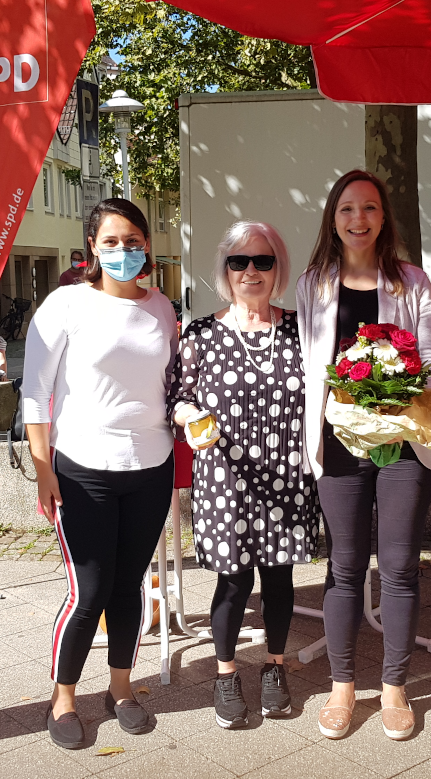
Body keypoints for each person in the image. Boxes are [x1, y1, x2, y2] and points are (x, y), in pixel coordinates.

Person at [297, 169, 431, 742]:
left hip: (402, 438)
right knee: (344, 566)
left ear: (384, 218)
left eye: (369, 209)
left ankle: (393, 686)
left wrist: (396, 385)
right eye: (347, 209)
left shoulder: (411, 280)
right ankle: (341, 686)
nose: (358, 219)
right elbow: (311, 366)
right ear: (333, 220)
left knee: (402, 566)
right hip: (337, 441)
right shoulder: (314, 283)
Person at [23, 199, 177, 748]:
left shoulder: (162, 308)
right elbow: (34, 393)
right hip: (83, 468)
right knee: (88, 593)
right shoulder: (65, 304)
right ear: (92, 246)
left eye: (133, 241)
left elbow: (169, 385)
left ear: (147, 246)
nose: (123, 251)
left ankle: (120, 688)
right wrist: (43, 468)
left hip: (151, 468)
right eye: (111, 242)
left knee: (128, 587)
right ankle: (63, 697)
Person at [169, 221, 319, 729]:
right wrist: (189, 419)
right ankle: (226, 673)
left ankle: (275, 668)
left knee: (279, 579)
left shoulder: (301, 329)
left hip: (286, 475)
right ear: (225, 271)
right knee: (232, 583)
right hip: (225, 480)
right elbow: (178, 397)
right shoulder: (202, 334)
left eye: (263, 261)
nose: (250, 271)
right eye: (239, 262)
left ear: (278, 269)